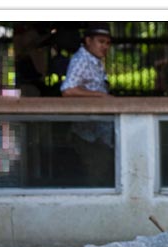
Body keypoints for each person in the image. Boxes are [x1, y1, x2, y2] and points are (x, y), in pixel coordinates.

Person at [60, 22, 114, 187]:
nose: (104, 46)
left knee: (103, 172)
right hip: (88, 135)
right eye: (100, 41)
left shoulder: (94, 61)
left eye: (107, 43)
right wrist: (101, 96)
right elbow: (68, 90)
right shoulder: (82, 59)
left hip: (99, 132)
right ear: (88, 41)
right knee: (96, 175)